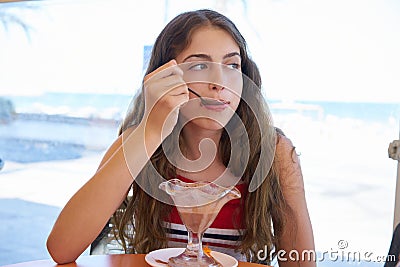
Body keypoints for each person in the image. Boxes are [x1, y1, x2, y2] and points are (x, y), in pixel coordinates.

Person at [46, 9, 315, 266]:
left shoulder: (275, 152)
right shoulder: (138, 141)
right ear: (164, 76)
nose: (219, 82)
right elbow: (62, 248)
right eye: (199, 65)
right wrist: (151, 131)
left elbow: (302, 264)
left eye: (232, 64)